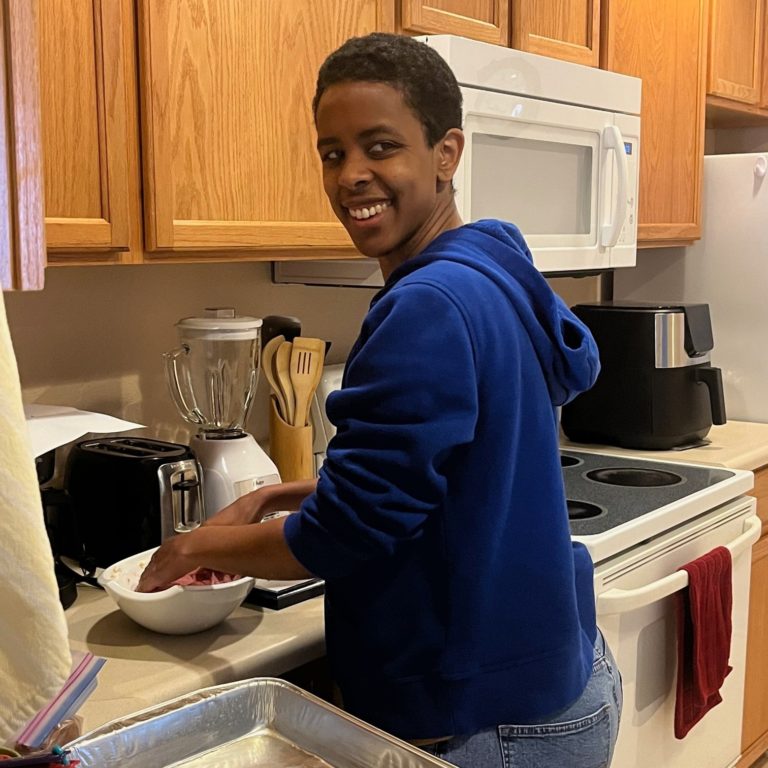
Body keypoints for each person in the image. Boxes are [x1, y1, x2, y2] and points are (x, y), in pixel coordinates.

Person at [138, 32, 622, 768]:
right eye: (333, 153)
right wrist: (278, 498)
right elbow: (436, 478)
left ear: (446, 153)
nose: (351, 176)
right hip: (558, 681)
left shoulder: (426, 305)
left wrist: (192, 545)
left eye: (380, 146)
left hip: (486, 723)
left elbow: (347, 535)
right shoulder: (492, 263)